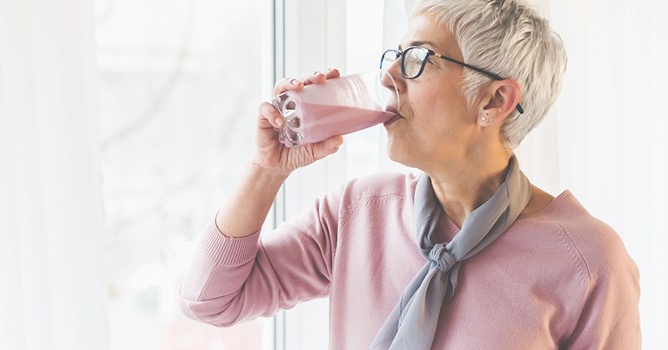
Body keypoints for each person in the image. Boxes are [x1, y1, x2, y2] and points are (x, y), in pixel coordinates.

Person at [178, 0, 641, 348]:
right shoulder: (356, 213)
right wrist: (266, 170)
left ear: (494, 101)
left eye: (418, 59)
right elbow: (209, 300)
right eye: (394, 56)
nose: (388, 77)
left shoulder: (589, 263)